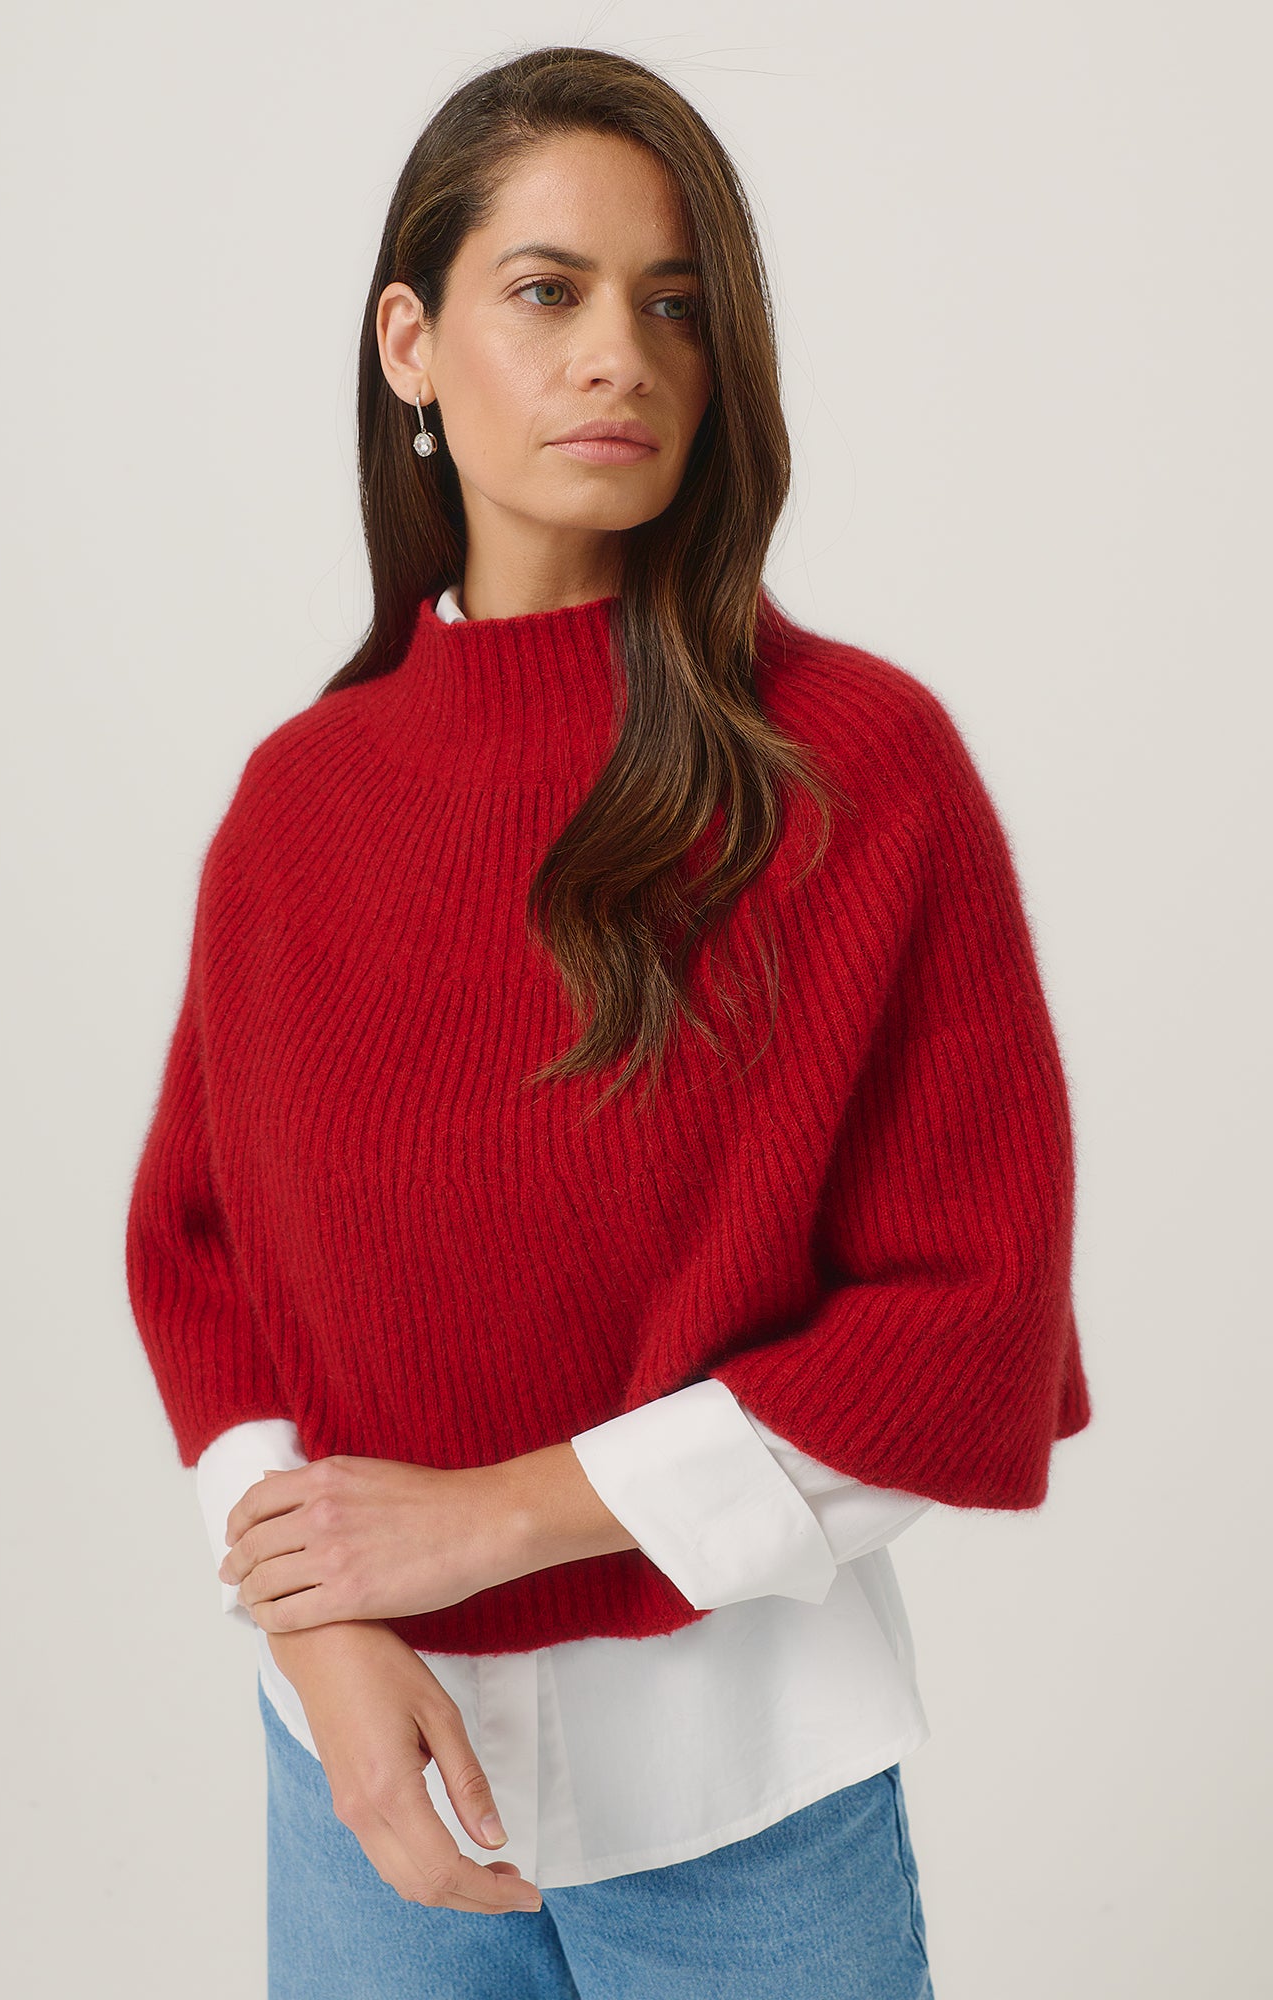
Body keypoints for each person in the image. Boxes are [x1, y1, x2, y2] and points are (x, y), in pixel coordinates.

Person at [124, 44, 1091, 2000]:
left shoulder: (857, 771)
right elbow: (198, 1254)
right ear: (409, 342)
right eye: (547, 291)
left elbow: (967, 1321)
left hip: (741, 1803)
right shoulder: (299, 803)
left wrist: (489, 1522)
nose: (618, 359)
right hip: (364, 1782)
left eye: (673, 306)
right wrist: (324, 1628)